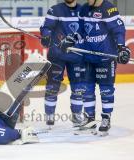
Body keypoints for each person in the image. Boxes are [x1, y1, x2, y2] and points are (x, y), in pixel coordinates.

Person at [78, 0, 131, 136]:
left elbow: (119, 31)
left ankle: (106, 118)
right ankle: (89, 118)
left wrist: (121, 48)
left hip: (106, 58)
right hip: (88, 57)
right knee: (87, 89)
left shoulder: (109, 9)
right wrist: (70, 39)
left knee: (106, 90)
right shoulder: (84, 9)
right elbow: (80, 31)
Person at [40, 0, 86, 127]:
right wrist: (46, 36)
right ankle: (49, 117)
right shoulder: (55, 10)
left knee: (78, 88)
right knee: (52, 87)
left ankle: (77, 116)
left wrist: (75, 39)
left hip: (77, 56)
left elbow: (87, 31)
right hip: (57, 55)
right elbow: (46, 28)